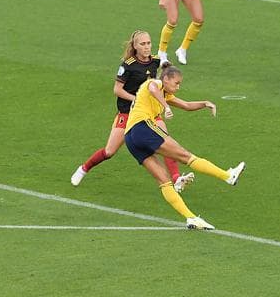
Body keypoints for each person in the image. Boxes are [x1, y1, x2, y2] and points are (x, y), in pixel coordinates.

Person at [122, 63, 246, 230]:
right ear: (165, 79)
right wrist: (165, 107)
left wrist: (205, 103)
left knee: (164, 181)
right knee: (186, 156)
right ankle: (227, 176)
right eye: (176, 83)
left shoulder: (165, 94)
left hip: (130, 138)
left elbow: (186, 105)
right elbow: (152, 87)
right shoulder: (155, 84)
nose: (178, 87)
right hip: (142, 128)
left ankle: (191, 218)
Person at [71, 30, 196, 192]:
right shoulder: (128, 65)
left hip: (149, 113)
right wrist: (135, 99)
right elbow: (117, 90)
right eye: (142, 44)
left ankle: (176, 178)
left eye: (149, 43)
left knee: (165, 141)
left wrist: (167, 68)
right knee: (109, 151)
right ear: (135, 46)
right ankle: (84, 168)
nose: (146, 47)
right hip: (127, 113)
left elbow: (167, 74)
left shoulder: (155, 61)